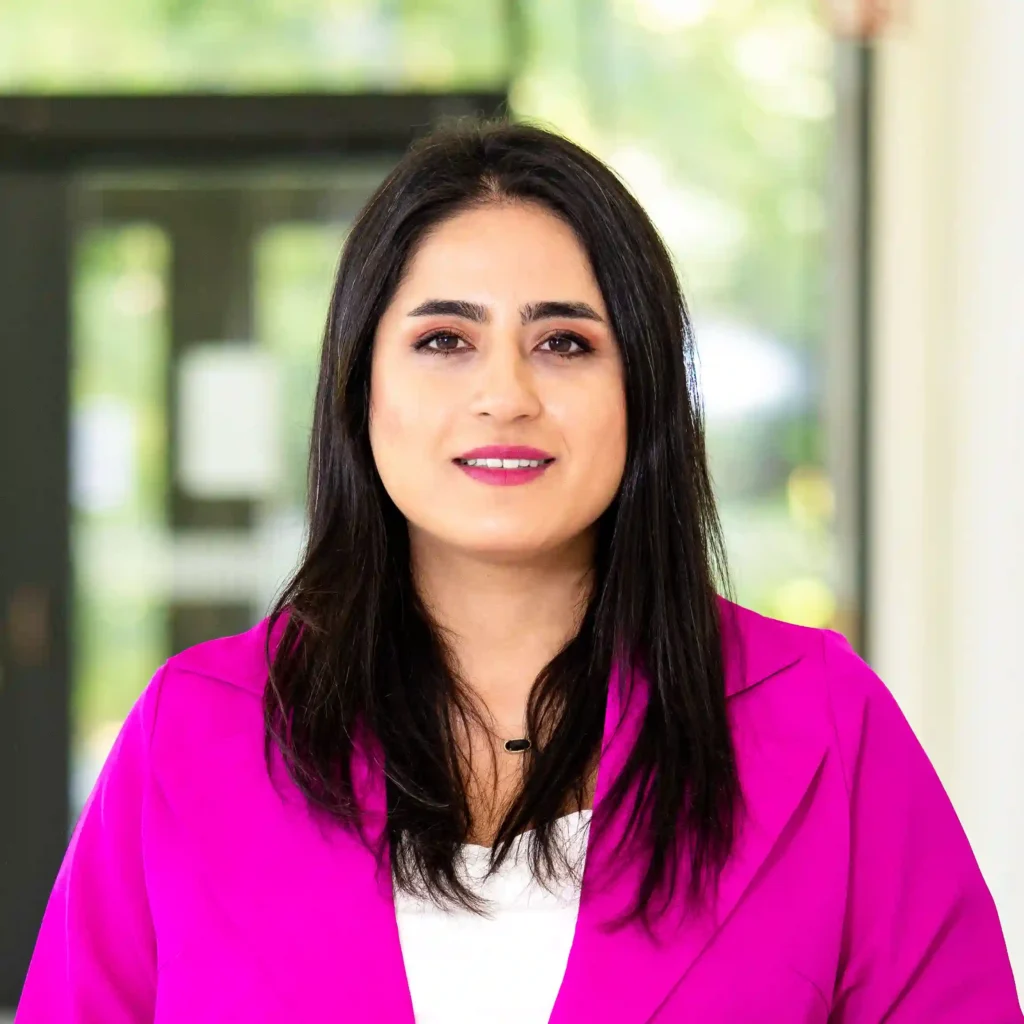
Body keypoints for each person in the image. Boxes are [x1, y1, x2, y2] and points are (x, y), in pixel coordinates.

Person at [14, 118, 1022, 1023]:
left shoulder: (823, 725)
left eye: (564, 342)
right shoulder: (194, 732)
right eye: (444, 339)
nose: (505, 393)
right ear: (361, 386)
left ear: (644, 391)